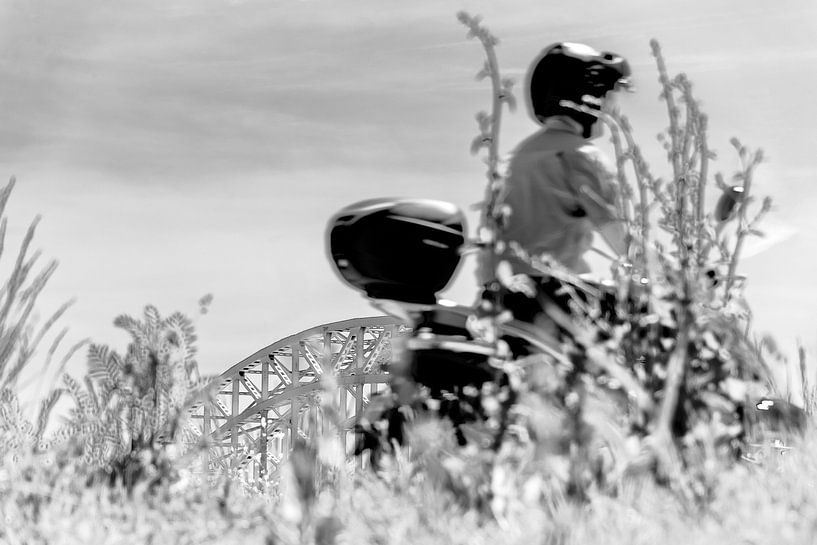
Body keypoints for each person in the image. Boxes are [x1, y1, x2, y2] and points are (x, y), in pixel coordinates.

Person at [478, 42, 633, 338]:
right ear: (588, 96)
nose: (609, 108)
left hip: (502, 301)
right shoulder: (580, 155)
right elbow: (619, 237)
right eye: (606, 95)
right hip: (556, 299)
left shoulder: (513, 159)